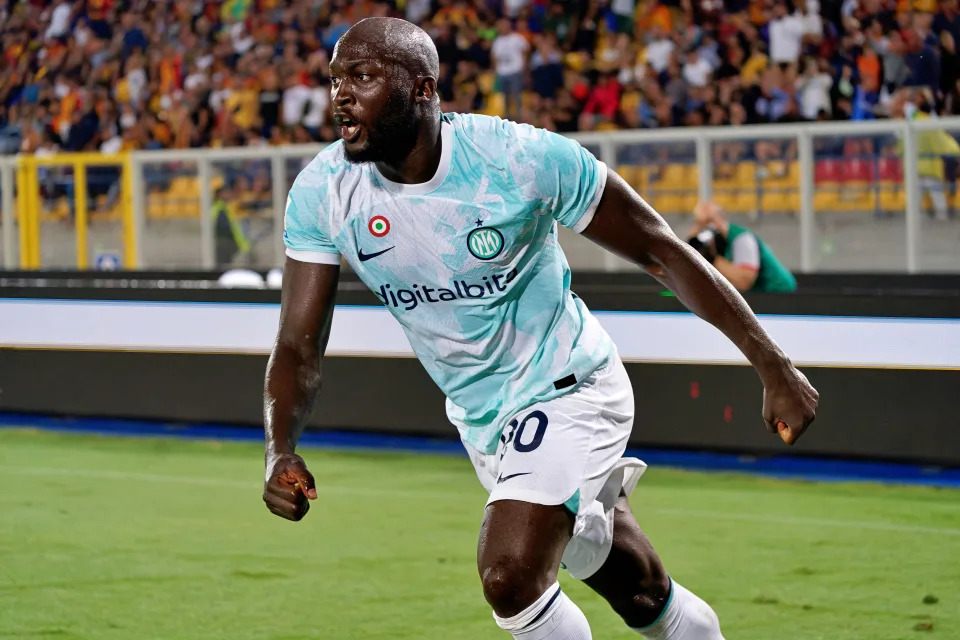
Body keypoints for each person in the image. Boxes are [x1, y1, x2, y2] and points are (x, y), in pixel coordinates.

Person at [263, 17, 818, 640]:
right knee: (636, 588)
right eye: (335, 79)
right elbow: (296, 346)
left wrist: (774, 364)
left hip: (570, 389)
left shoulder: (519, 158)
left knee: (510, 574)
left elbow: (663, 251)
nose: (340, 94)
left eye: (361, 77)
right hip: (483, 423)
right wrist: (279, 446)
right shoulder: (323, 192)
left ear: (422, 89)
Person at [686, 201, 797, 293]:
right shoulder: (714, 243)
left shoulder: (742, 239)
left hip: (778, 294)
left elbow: (744, 281)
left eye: (710, 220)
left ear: (722, 218)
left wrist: (711, 260)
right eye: (699, 223)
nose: (706, 227)